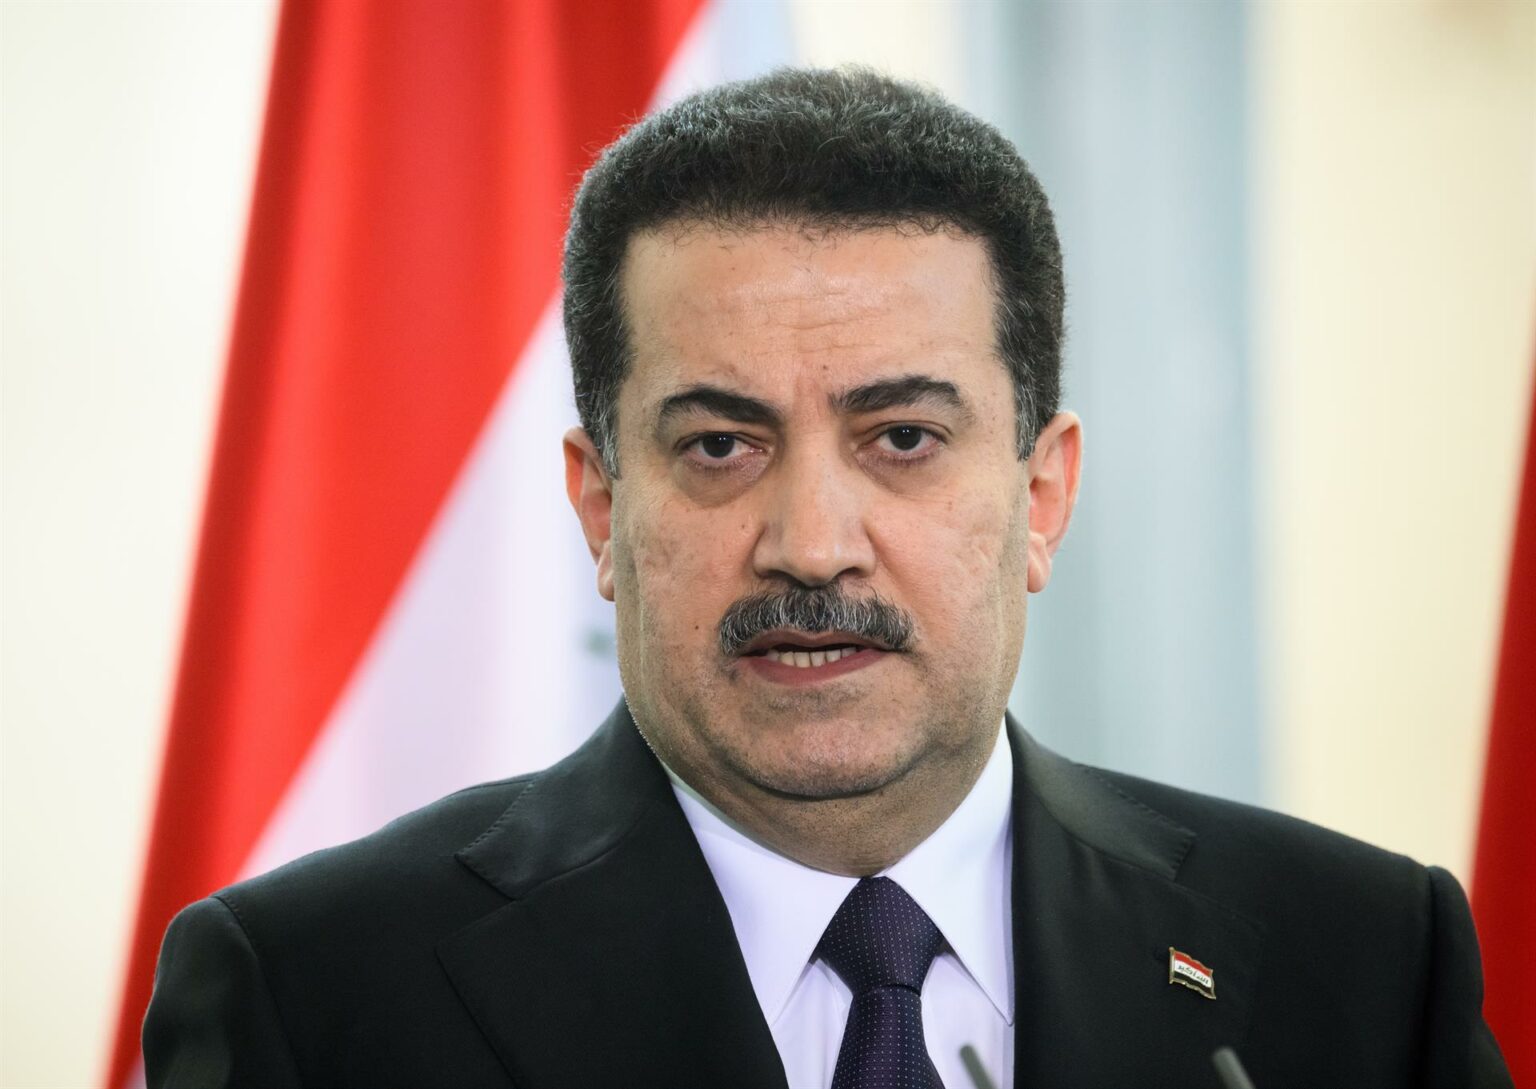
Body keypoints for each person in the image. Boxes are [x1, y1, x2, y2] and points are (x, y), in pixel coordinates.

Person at [142, 68, 1511, 1089]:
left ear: (1041, 496)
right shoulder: (316, 996)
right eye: (720, 446)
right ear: (601, 506)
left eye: (902, 438)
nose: (811, 541)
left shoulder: (1361, 966)